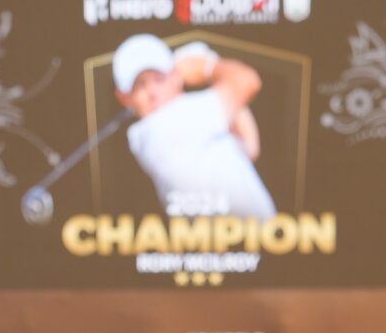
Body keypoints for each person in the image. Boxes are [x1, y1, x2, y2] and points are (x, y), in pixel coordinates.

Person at [109, 35, 275, 220]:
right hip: (238, 241)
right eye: (140, 85)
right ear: (124, 98)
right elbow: (248, 81)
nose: (152, 92)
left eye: (159, 78)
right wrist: (208, 66)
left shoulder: (196, 123)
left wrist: (214, 75)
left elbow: (251, 147)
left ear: (175, 77)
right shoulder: (157, 129)